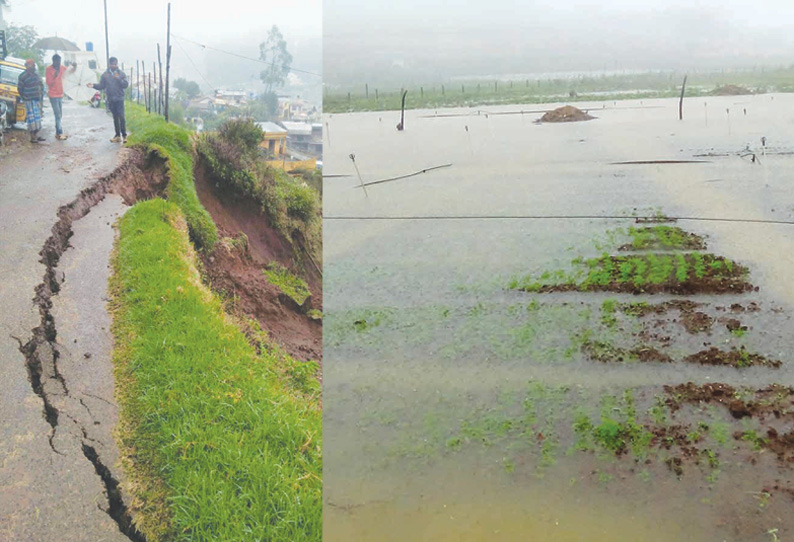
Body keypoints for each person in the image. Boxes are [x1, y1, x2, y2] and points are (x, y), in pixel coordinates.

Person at [87, 56, 129, 143]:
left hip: (119, 98)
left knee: (121, 117)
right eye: (112, 64)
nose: (114, 66)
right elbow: (102, 86)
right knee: (115, 117)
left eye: (115, 64)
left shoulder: (121, 74)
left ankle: (124, 136)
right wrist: (93, 85)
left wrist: (119, 80)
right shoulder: (105, 75)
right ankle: (117, 135)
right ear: (109, 64)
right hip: (111, 99)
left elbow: (125, 85)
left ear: (117, 64)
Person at [45, 54, 76, 140]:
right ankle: (59, 132)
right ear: (53, 61)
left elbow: (70, 72)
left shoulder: (62, 68)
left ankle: (57, 131)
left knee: (59, 114)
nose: (58, 63)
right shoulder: (49, 69)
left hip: (60, 94)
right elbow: (48, 83)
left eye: (59, 61)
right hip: (53, 94)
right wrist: (54, 76)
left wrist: (74, 67)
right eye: (56, 61)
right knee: (57, 113)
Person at [17, 59, 45, 143]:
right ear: (26, 66)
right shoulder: (22, 76)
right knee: (31, 119)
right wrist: (24, 97)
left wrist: (41, 92)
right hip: (28, 100)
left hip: (37, 99)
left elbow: (41, 84)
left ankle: (36, 135)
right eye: (31, 65)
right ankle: (32, 137)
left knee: (38, 118)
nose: (33, 67)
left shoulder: (36, 75)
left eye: (33, 65)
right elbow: (20, 89)